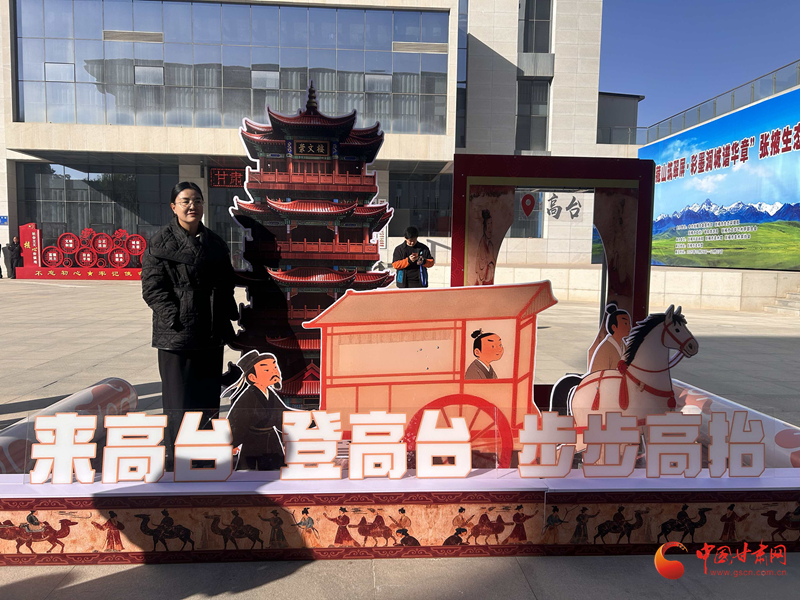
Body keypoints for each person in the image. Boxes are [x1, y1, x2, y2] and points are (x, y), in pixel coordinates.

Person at [141, 182, 238, 467]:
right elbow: (153, 288)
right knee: (179, 400)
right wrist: (175, 317)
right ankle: (177, 457)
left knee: (207, 398)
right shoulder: (160, 242)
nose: (192, 206)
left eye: (197, 200)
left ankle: (206, 456)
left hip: (210, 331)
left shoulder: (215, 243)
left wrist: (227, 314)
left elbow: (226, 283)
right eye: (185, 201)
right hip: (177, 335)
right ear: (174, 207)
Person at [224, 350, 300, 470]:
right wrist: (231, 443)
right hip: (253, 442)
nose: (274, 372)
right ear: (252, 377)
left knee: (277, 472)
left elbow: (282, 414)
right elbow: (238, 422)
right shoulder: (248, 396)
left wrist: (307, 418)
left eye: (275, 367)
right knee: (252, 474)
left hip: (272, 441)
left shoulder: (270, 393)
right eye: (267, 370)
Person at [587, 302, 631, 373]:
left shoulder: (624, 346)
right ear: (614, 327)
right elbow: (598, 374)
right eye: (625, 323)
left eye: (629, 323)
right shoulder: (605, 348)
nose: (629, 327)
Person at [474, 209, 495, 285]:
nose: (490, 227)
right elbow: (480, 265)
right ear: (484, 226)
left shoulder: (490, 245)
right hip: (483, 277)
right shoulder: (482, 244)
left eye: (491, 224)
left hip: (488, 276)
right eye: (488, 224)